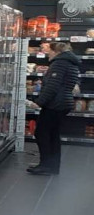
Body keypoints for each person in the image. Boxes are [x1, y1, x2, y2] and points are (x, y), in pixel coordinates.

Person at [29, 41, 80, 175]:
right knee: (53, 135)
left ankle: (45, 165)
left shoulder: (59, 63)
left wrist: (39, 102)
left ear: (57, 52)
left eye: (50, 51)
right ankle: (52, 166)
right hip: (64, 103)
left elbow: (53, 87)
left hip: (55, 104)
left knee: (42, 133)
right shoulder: (71, 63)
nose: (48, 54)